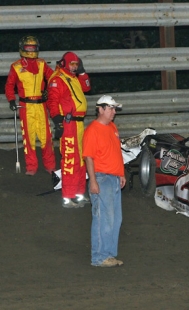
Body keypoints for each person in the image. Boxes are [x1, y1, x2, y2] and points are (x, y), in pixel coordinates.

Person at [82, 95, 125, 267]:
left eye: (114, 109)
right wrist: (93, 181)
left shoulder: (112, 127)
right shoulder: (93, 130)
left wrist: (120, 173)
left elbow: (115, 151)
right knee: (103, 219)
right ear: (101, 109)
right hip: (102, 177)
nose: (114, 112)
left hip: (113, 178)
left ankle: (108, 254)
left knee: (114, 219)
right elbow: (88, 157)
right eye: (111, 108)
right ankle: (99, 257)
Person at [4, 35, 56, 175]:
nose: (31, 50)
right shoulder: (16, 66)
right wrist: (11, 100)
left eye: (33, 48)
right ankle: (31, 167)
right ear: (22, 49)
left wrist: (48, 91)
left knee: (46, 137)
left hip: (40, 105)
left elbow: (54, 78)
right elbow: (9, 86)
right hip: (25, 106)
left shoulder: (42, 64)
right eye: (28, 48)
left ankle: (50, 165)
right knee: (29, 137)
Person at [46, 52, 91, 208]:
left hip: (78, 124)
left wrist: (83, 72)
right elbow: (52, 102)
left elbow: (87, 87)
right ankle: (68, 196)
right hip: (68, 123)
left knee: (81, 159)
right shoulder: (58, 79)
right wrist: (58, 122)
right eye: (72, 64)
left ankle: (78, 193)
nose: (74, 67)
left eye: (76, 64)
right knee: (70, 160)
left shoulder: (73, 77)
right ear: (64, 63)